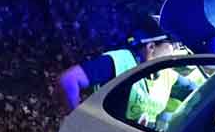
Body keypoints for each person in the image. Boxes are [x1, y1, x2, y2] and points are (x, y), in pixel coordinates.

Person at [58, 17, 188, 121]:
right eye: (173, 44)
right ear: (151, 47)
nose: (175, 51)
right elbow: (69, 80)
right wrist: (79, 123)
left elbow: (195, 91)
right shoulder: (122, 61)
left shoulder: (166, 74)